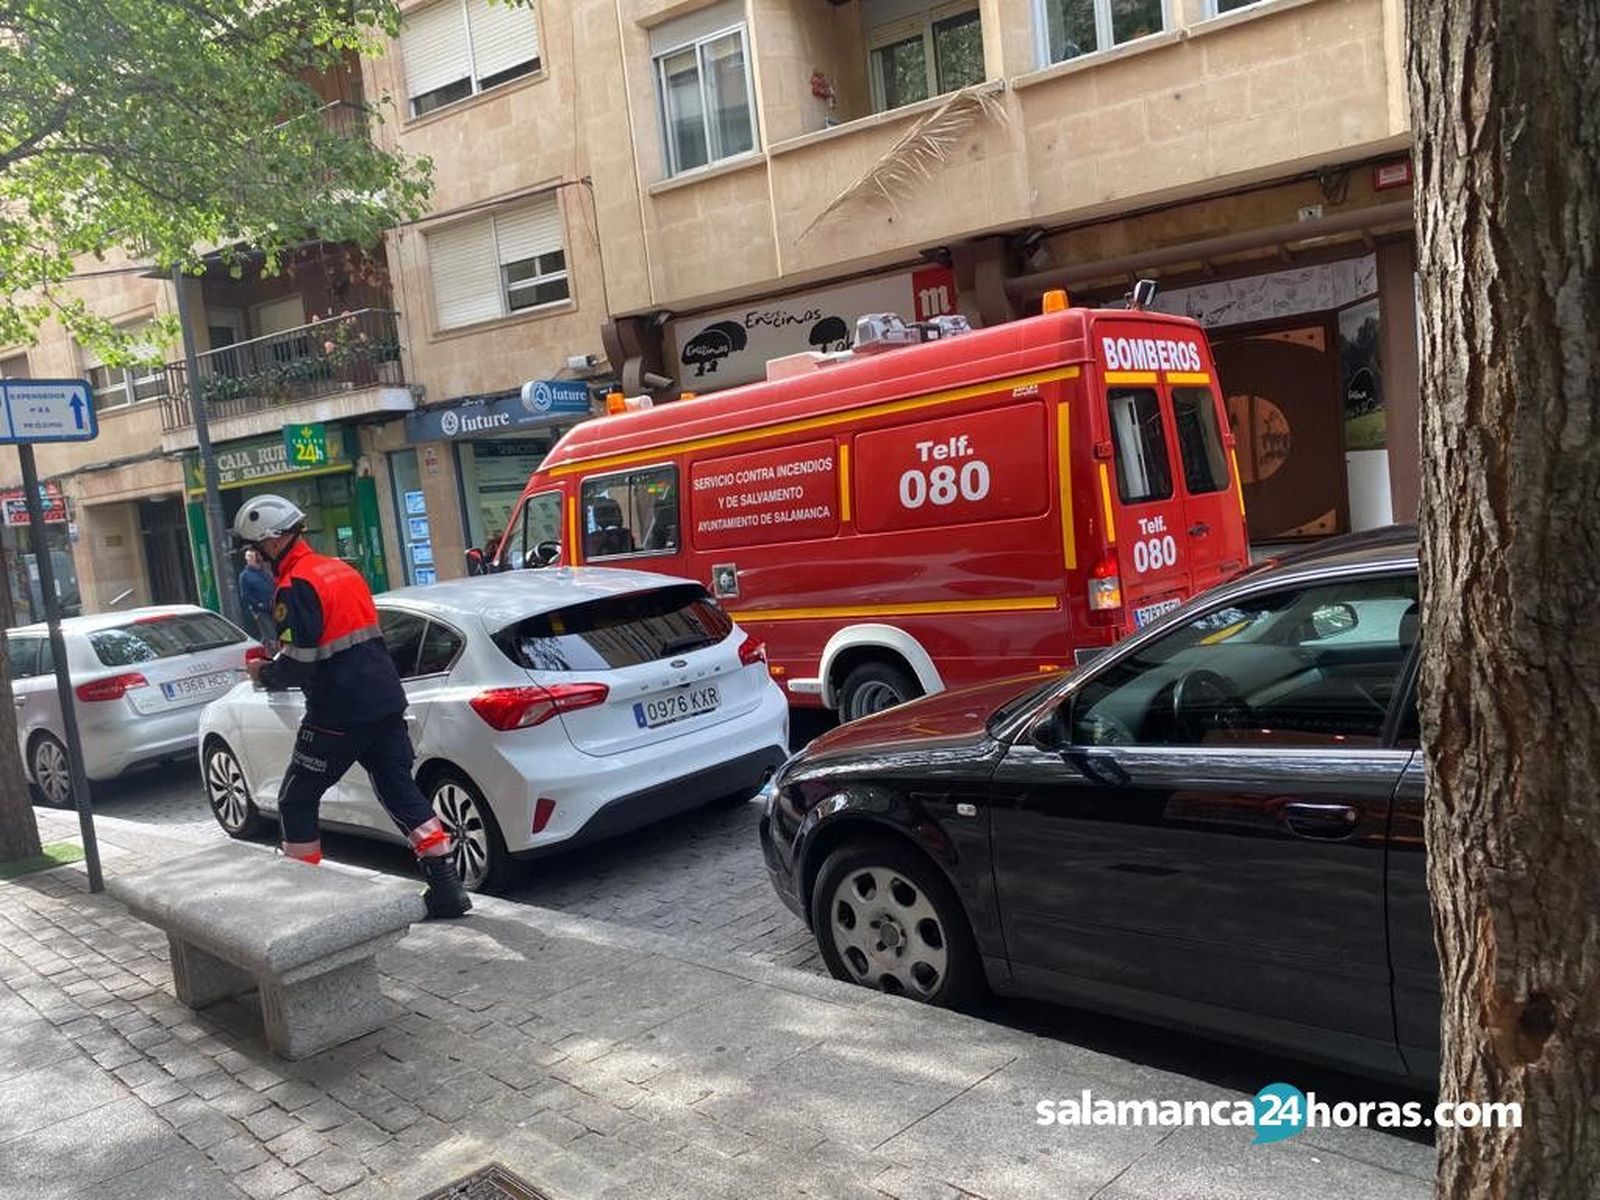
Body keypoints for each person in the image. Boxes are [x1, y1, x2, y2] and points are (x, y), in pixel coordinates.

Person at [233, 493, 471, 919]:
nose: (256, 557)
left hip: (338, 709)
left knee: (295, 800)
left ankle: (307, 905)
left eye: (255, 547)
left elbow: (301, 664)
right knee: (398, 787)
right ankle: (446, 886)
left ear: (272, 541)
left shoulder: (295, 586)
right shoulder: (341, 570)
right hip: (383, 699)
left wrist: (262, 673)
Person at [238, 547, 277, 647]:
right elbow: (245, 596)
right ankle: (272, 654)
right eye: (256, 556)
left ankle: (264, 649)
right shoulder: (245, 576)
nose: (259, 558)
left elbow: (272, 585)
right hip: (260, 610)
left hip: (274, 607)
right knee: (270, 634)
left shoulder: (264, 571)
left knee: (274, 633)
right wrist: (259, 604)